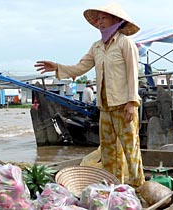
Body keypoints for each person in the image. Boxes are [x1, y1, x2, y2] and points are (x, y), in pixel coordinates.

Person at [34, 2, 144, 188]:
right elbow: (80, 67)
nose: (100, 23)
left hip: (124, 106)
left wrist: (132, 103)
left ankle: (138, 187)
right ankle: (113, 187)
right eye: (98, 19)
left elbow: (133, 74)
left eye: (103, 18)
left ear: (116, 20)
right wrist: (58, 67)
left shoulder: (126, 43)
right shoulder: (97, 47)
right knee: (108, 151)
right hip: (105, 108)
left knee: (130, 149)